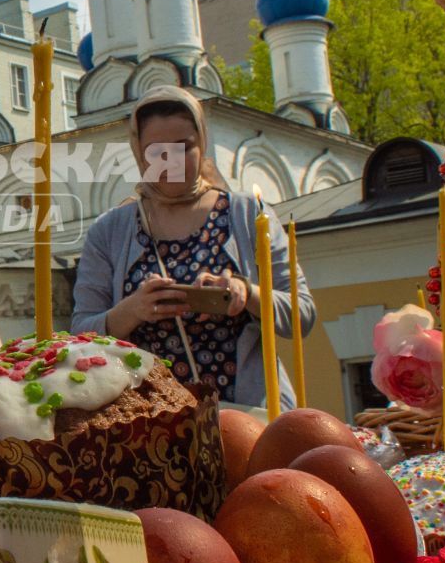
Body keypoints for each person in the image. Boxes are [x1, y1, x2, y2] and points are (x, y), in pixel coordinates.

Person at [70, 85, 313, 410]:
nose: (172, 162)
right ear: (137, 151)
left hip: (249, 418)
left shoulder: (248, 215)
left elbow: (302, 314)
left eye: (185, 147)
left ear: (203, 143)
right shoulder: (109, 231)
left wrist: (246, 294)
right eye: (157, 152)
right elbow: (80, 335)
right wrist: (133, 310)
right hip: (149, 425)